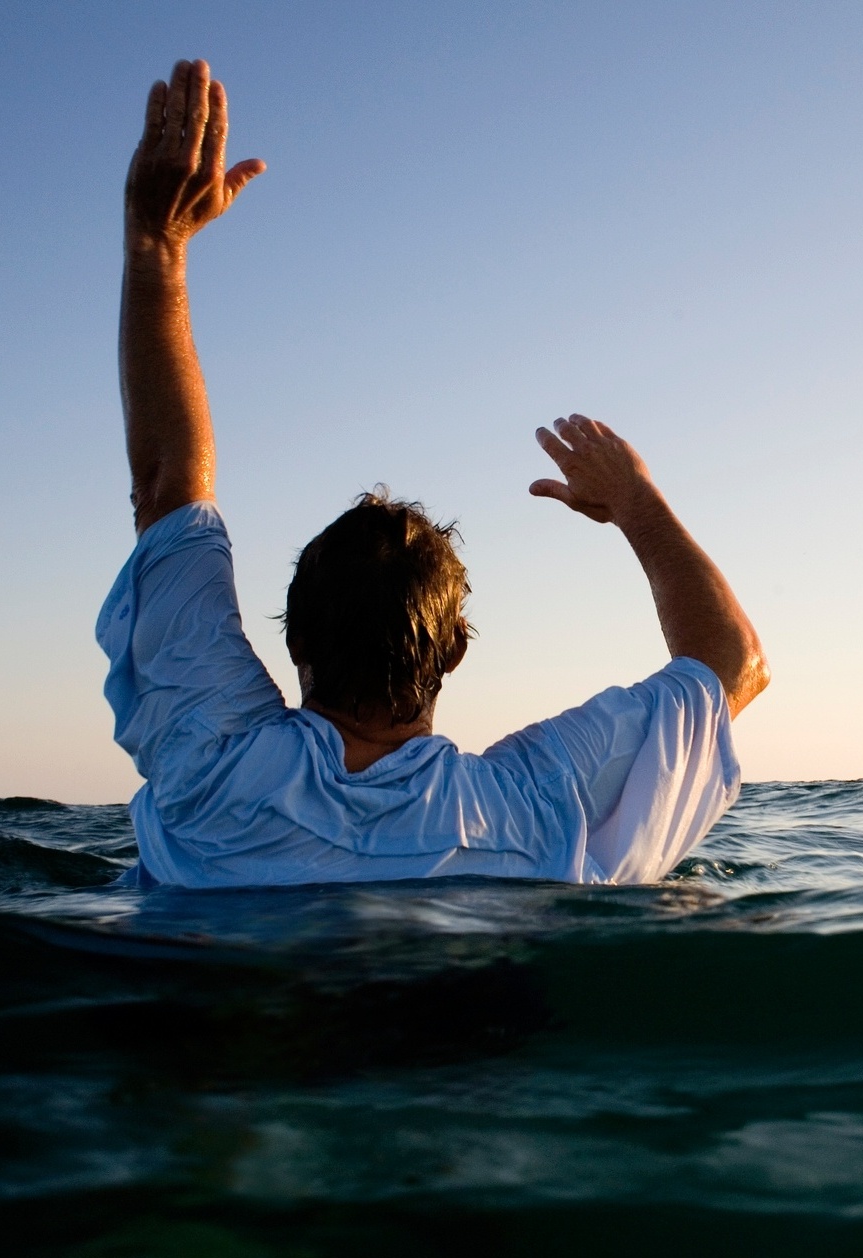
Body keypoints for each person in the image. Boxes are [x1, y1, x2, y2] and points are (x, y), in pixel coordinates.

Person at [98, 59, 769, 889]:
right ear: (452, 651)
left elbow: (167, 486)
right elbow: (732, 661)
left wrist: (156, 246)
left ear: (294, 637)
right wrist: (636, 502)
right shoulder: (537, 803)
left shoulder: (208, 766)